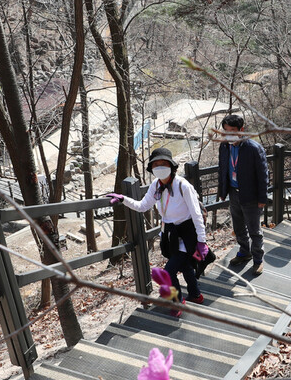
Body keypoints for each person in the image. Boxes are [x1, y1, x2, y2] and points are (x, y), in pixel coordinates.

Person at [107, 148, 205, 314]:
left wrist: (201, 241)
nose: (159, 167)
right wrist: (124, 199)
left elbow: (196, 214)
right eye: (156, 164)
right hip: (170, 235)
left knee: (168, 272)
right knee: (186, 265)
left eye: (163, 163)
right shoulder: (156, 186)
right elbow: (142, 205)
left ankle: (177, 303)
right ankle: (196, 295)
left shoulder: (183, 186)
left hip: (187, 234)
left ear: (172, 166)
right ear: (152, 168)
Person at [217, 114, 269, 275]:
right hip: (234, 193)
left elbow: (263, 175)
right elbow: (223, 169)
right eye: (225, 131)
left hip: (251, 195)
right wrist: (222, 190)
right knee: (238, 227)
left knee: (254, 230)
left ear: (242, 130)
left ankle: (258, 260)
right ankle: (244, 252)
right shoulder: (225, 146)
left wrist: (262, 198)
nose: (228, 134)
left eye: (232, 130)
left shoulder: (253, 148)